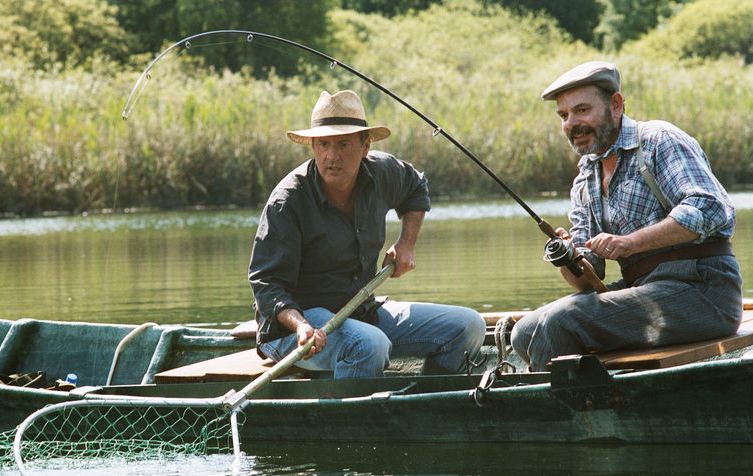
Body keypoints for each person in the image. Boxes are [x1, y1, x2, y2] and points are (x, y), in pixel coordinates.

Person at [510, 61, 743, 371]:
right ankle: (592, 402)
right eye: (564, 116)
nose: (571, 124)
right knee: (523, 332)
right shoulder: (585, 179)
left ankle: (557, 414)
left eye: (582, 110)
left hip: (704, 292)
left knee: (562, 322)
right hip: (646, 290)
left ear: (615, 105)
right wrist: (567, 257)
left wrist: (630, 243)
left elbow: (709, 207)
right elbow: (587, 280)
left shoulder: (659, 140)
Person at [248, 90, 486, 379]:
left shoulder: (382, 172)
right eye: (323, 144)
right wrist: (300, 325)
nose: (331, 156)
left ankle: (425, 406)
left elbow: (415, 187)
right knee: (369, 345)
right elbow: (267, 285)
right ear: (313, 146)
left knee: (469, 326)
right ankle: (354, 422)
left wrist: (406, 243)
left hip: (361, 311)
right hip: (293, 328)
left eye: (344, 144)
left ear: (365, 146)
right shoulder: (288, 201)